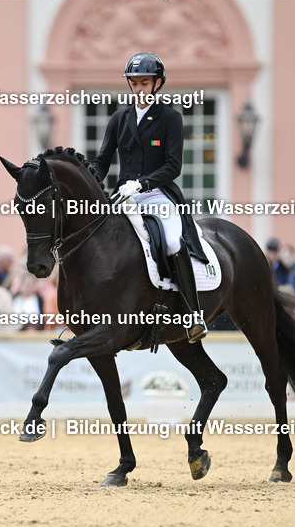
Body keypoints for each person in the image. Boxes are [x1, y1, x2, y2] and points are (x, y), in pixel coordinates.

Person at [88, 51, 208, 342]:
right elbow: (103, 159)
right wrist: (90, 179)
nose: (139, 89)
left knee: (169, 240)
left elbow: (173, 166)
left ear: (157, 83)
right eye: (135, 83)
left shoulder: (170, 118)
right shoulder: (119, 118)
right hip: (122, 196)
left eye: (145, 83)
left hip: (157, 194)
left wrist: (141, 184)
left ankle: (193, 315)